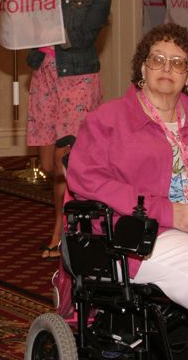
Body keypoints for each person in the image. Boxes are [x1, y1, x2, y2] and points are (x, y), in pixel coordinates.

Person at [66, 23, 188, 308]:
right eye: (158, 60)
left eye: (178, 62)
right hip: (135, 237)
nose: (167, 69)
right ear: (142, 70)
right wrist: (169, 212)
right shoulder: (109, 120)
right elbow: (86, 180)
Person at [26, 0, 113, 259]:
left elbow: (81, 36)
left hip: (77, 78)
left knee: (68, 162)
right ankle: (72, 223)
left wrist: (47, 19)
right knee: (49, 164)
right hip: (45, 73)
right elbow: (29, 25)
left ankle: (63, 233)